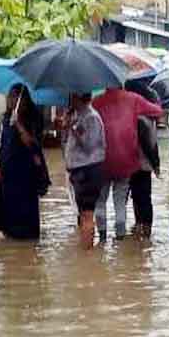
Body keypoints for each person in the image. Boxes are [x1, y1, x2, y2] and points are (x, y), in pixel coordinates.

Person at [92, 87, 164, 240]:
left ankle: (102, 237)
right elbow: (158, 112)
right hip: (126, 160)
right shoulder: (133, 99)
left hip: (102, 160)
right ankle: (120, 237)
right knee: (120, 201)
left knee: (100, 201)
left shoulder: (96, 101)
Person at [0, 85, 48, 241]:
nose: (10, 100)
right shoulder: (5, 118)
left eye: (15, 97)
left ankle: (25, 243)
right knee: (5, 214)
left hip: (25, 173)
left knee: (24, 213)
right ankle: (10, 241)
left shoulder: (33, 118)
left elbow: (32, 144)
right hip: (8, 171)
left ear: (23, 100)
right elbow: (3, 143)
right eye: (9, 96)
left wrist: (19, 125)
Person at [61, 92, 107, 250]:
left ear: (79, 98)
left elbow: (89, 145)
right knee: (83, 213)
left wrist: (73, 127)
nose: (69, 100)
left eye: (72, 97)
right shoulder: (79, 115)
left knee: (87, 214)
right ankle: (85, 249)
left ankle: (87, 253)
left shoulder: (91, 117)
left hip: (88, 170)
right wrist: (67, 126)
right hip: (80, 170)